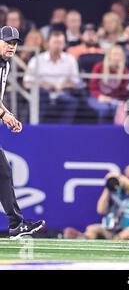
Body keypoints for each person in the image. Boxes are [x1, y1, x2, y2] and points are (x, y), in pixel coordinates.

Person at [0, 26, 45, 238]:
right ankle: (16, 223)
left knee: (3, 172)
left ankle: (16, 224)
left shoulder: (5, 65)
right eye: (8, 42)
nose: (12, 47)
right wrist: (4, 116)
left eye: (15, 43)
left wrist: (9, 115)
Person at [64, 164, 129, 240]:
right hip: (113, 229)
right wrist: (109, 185)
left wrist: (120, 177)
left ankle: (116, 242)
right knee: (92, 229)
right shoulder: (116, 192)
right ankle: (83, 239)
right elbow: (101, 210)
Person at [23, 30, 81, 124]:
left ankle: (63, 131)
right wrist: (44, 85)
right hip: (42, 94)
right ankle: (38, 129)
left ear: (64, 44)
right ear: (48, 43)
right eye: (55, 42)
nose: (58, 45)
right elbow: (27, 82)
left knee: (72, 101)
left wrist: (62, 86)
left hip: (62, 93)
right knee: (42, 96)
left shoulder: (70, 60)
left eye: (60, 43)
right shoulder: (36, 60)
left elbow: (76, 82)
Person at [87, 45, 129, 124]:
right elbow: (93, 87)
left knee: (116, 108)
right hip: (96, 97)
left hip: (114, 99)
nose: (117, 57)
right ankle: (102, 132)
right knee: (104, 109)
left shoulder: (124, 70)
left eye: (119, 55)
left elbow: (123, 90)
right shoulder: (99, 67)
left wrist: (112, 98)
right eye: (115, 54)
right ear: (109, 55)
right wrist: (100, 96)